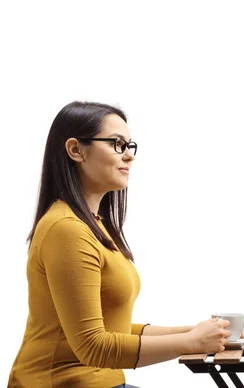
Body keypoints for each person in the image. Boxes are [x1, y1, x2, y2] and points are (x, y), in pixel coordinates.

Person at [8, 102, 231, 388]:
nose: (129, 155)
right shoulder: (67, 229)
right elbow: (93, 346)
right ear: (76, 150)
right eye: (116, 144)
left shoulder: (93, 225)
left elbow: (112, 330)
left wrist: (204, 333)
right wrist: (191, 342)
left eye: (129, 145)